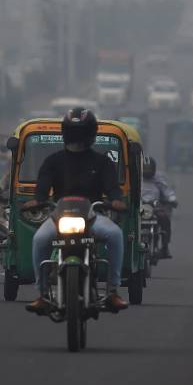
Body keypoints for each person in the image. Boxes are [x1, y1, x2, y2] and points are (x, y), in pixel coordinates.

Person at [25, 108, 128, 313]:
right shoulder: (53, 161)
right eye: (73, 131)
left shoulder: (102, 162)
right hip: (58, 216)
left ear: (91, 134)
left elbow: (112, 188)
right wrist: (37, 200)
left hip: (92, 216)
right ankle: (42, 294)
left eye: (81, 132)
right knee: (38, 240)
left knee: (116, 234)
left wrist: (117, 200)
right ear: (65, 132)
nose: (77, 137)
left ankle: (112, 291)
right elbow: (42, 189)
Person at [142, 156, 177, 258]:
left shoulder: (158, 178)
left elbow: (167, 191)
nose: (147, 171)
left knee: (165, 219)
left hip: (155, 207)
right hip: (139, 208)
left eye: (149, 169)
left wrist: (172, 199)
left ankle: (165, 247)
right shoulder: (135, 177)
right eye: (145, 168)